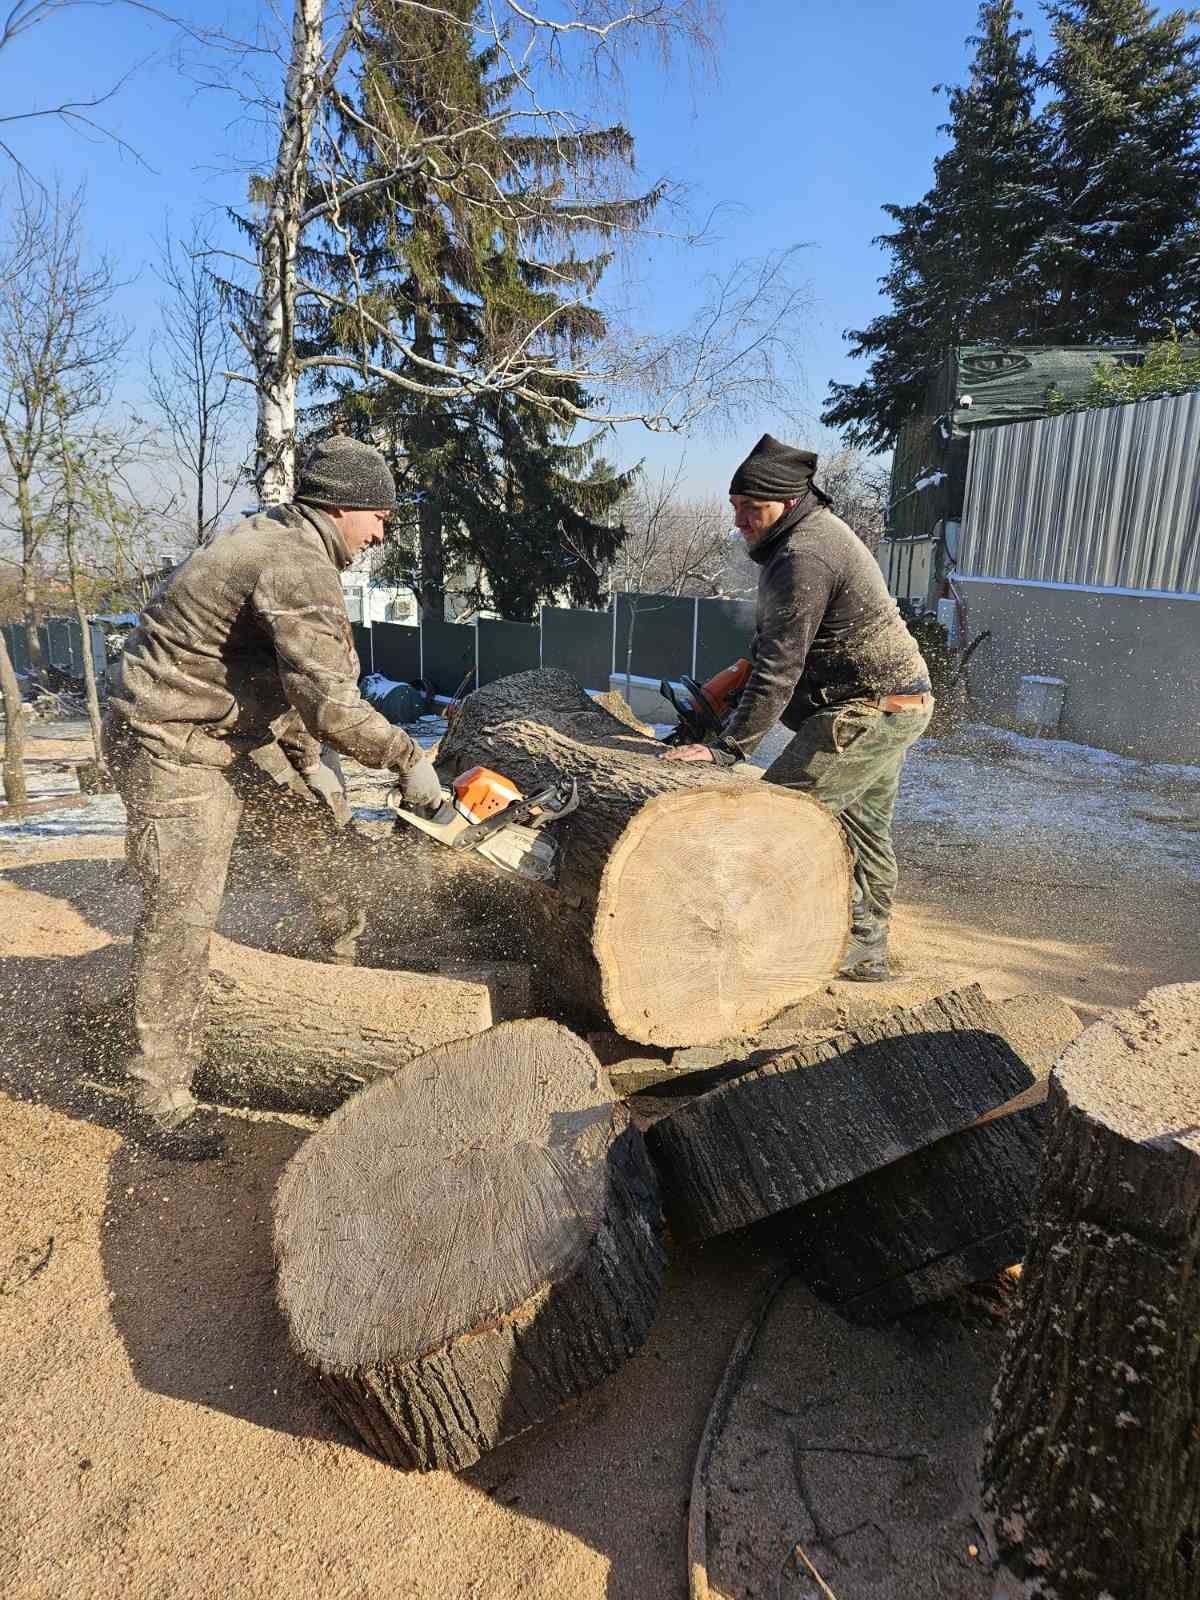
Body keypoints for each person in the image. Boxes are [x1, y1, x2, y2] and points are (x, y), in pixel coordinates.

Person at [105, 436, 443, 1159]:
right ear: (343, 508)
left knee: (318, 829)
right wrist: (410, 760)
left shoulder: (284, 542)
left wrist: (306, 764)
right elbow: (331, 702)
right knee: (182, 916)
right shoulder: (295, 560)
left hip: (225, 725)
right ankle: (157, 1096)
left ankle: (346, 973)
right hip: (170, 740)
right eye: (377, 518)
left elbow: (272, 676)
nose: (381, 533)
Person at [662, 433, 932, 984]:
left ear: (785, 502)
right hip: (897, 700)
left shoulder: (803, 554)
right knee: (864, 827)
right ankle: (866, 948)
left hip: (866, 709)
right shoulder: (805, 537)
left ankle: (763, 947)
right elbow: (779, 647)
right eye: (735, 507)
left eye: (750, 509)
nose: (739, 520)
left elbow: (780, 668)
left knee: (777, 822)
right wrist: (733, 685)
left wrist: (726, 748)